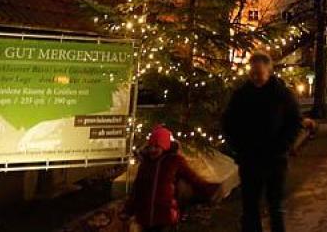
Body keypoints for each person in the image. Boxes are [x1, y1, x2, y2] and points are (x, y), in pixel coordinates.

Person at [223, 53, 302, 232]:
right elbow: (229, 122)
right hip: (250, 159)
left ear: (269, 71)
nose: (256, 77)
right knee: (250, 206)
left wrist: (284, 145)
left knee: (275, 205)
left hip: (275, 159)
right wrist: (238, 147)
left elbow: (294, 121)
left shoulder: (281, 94)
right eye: (253, 73)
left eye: (259, 73)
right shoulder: (242, 95)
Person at [124, 125, 220, 232]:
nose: (152, 150)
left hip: (165, 215)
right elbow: (138, 188)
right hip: (144, 217)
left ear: (164, 147)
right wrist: (128, 209)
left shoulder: (174, 161)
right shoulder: (146, 163)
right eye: (150, 146)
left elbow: (192, 178)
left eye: (156, 147)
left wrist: (208, 190)